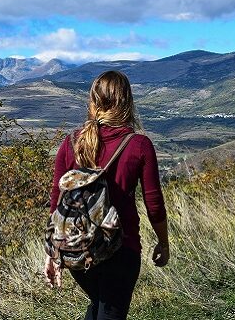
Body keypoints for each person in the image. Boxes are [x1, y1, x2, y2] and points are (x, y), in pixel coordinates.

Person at [45, 70, 170, 320]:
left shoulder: (71, 142)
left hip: (78, 250)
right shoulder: (138, 145)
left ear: (93, 101)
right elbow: (153, 203)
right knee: (108, 310)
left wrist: (52, 253)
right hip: (120, 249)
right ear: (127, 101)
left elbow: (57, 203)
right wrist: (163, 242)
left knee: (99, 307)